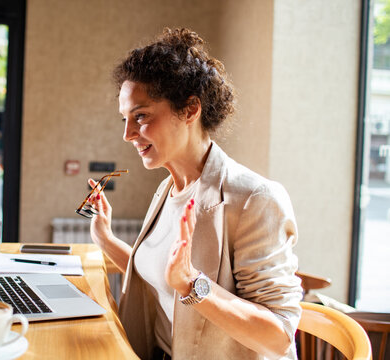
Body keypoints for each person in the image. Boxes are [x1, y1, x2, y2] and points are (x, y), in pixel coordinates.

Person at [87, 28, 302, 360]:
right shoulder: (167, 189)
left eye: (141, 116)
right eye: (125, 119)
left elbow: (278, 337)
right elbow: (160, 276)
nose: (128, 134)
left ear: (189, 110)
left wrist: (193, 285)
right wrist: (105, 238)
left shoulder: (254, 198)